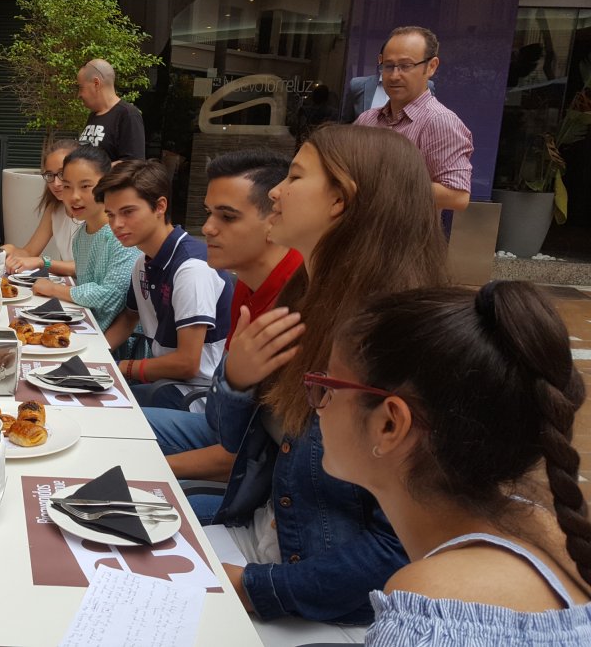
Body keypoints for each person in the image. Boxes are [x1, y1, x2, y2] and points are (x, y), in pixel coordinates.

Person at [209, 124, 449, 624]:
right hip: (254, 540)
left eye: (295, 177)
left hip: (313, 601)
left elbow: (401, 549)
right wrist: (236, 381)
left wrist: (253, 587)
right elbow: (234, 441)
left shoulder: (404, 346)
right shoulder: (303, 301)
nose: (276, 191)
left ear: (341, 201)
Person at [320, 281, 591, 644]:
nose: (317, 406)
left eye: (328, 387)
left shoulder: (429, 613)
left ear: (389, 425)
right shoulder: (544, 524)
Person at [143, 150, 302, 495]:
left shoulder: (295, 309)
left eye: (227, 217)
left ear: (277, 219)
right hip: (215, 427)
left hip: (258, 484)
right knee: (104, 428)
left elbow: (242, 455)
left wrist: (146, 470)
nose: (208, 228)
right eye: (209, 213)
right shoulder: (245, 280)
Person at [101, 159, 233, 411]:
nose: (116, 224)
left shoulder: (192, 269)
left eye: (128, 212)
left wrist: (120, 368)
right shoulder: (142, 262)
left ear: (160, 206)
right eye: (110, 214)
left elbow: (187, 364)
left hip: (197, 397)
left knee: (97, 412)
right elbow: (129, 318)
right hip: (165, 384)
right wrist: (98, 355)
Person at [355, 26, 472, 215]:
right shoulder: (367, 119)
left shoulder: (439, 121)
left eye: (406, 66)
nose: (394, 75)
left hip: (406, 234)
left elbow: (457, 196)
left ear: (431, 66)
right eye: (388, 66)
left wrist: (382, 186)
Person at [32, 145, 139, 328]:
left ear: (106, 185)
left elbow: (110, 296)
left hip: (116, 340)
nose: (74, 196)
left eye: (85, 186)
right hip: (87, 326)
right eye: (67, 186)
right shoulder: (81, 235)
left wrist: (54, 289)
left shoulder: (121, 235)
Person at [4, 139, 80, 278]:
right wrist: (10, 250)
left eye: (62, 174)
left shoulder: (96, 210)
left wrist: (43, 262)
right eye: (50, 175)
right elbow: (30, 252)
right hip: (70, 285)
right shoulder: (55, 209)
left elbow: (89, 267)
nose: (56, 183)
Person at [76, 59, 146, 162]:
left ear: (96, 83)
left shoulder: (128, 115)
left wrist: (94, 170)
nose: (79, 95)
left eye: (81, 88)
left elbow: (134, 162)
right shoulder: (93, 115)